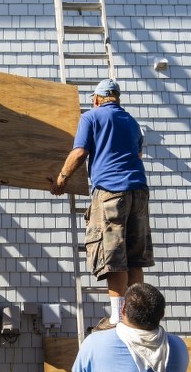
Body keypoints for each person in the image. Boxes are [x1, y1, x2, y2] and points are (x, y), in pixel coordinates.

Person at [49, 79, 152, 331]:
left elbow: (80, 152)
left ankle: (117, 318)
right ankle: (137, 317)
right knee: (135, 258)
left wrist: (61, 179)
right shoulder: (132, 122)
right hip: (139, 191)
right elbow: (137, 155)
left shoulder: (91, 117)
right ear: (117, 98)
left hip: (111, 192)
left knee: (113, 255)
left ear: (96, 99)